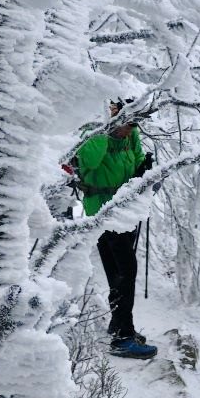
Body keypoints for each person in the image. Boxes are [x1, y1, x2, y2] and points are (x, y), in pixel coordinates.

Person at [76, 101, 158, 359]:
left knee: (118, 270)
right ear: (112, 115)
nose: (129, 131)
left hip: (126, 210)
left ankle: (119, 325)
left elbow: (135, 161)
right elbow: (88, 161)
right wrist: (106, 130)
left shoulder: (131, 133)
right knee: (125, 270)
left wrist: (144, 169)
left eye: (133, 124)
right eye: (125, 124)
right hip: (102, 210)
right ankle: (123, 336)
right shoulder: (92, 133)